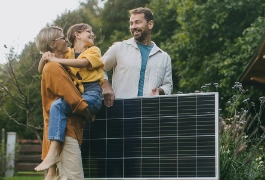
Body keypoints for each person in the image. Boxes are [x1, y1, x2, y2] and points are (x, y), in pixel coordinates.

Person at [34, 26, 95, 180]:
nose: (66, 40)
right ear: (53, 43)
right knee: (74, 176)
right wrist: (88, 114)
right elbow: (73, 98)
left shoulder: (60, 63)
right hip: (65, 132)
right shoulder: (54, 67)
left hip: (61, 132)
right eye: (62, 38)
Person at [102, 7, 173, 107]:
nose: (133, 27)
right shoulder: (119, 48)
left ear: (150, 24)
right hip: (121, 109)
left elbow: (168, 85)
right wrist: (105, 85)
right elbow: (99, 68)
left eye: (137, 22)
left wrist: (159, 90)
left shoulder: (164, 57)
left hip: (150, 110)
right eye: (131, 23)